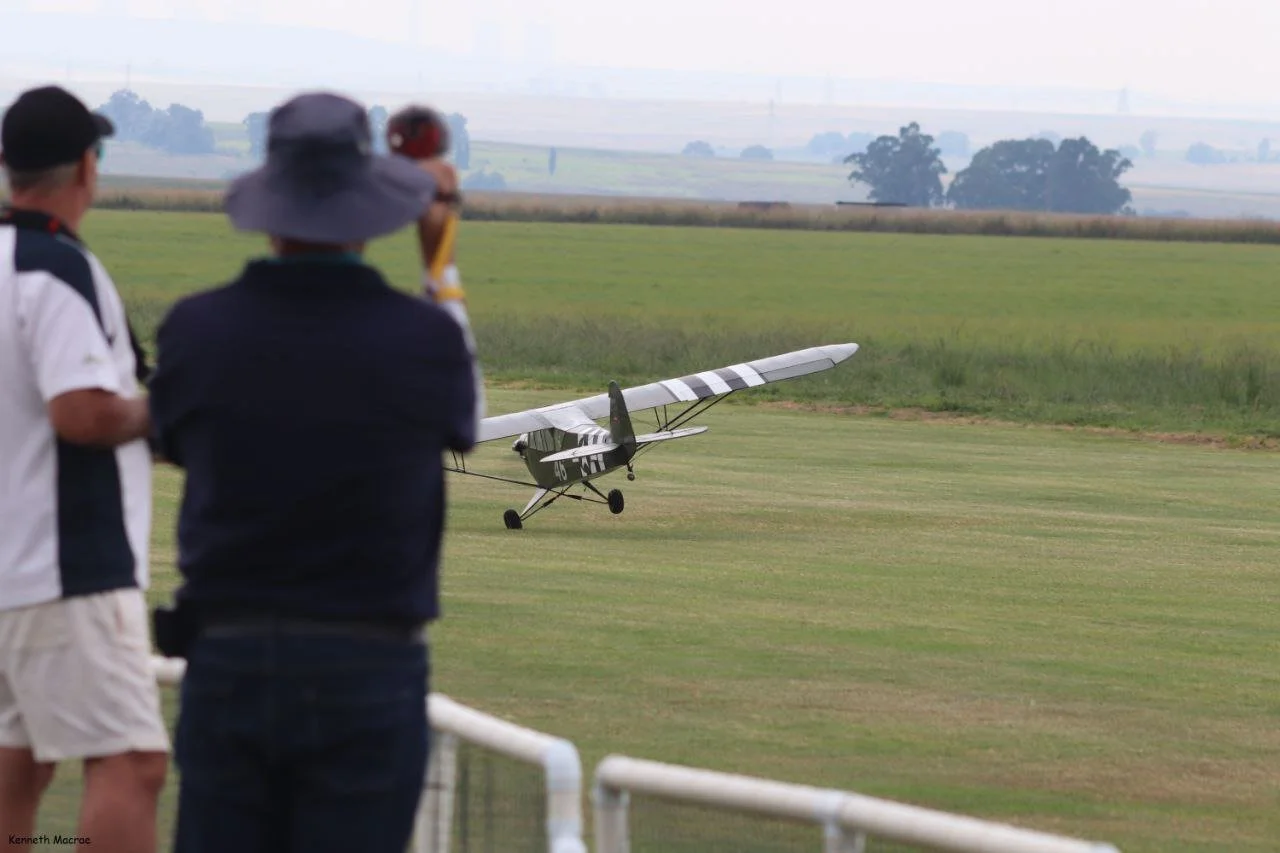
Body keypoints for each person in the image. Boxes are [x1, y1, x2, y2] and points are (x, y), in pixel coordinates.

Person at [147, 91, 483, 853]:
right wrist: (442, 261)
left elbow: (168, 437)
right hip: (368, 663)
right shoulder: (424, 337)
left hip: (228, 654)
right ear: (371, 213)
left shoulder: (198, 327)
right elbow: (464, 419)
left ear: (271, 207)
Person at [0, 86, 170, 852]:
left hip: (10, 565)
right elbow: (81, 413)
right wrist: (168, 412)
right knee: (132, 761)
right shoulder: (57, 268)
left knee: (16, 765)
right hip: (68, 563)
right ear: (87, 169)